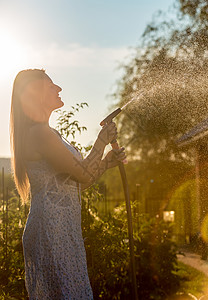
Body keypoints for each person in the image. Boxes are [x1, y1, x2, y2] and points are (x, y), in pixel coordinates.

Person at [9, 69, 126, 299]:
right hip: (50, 231)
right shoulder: (39, 133)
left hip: (63, 230)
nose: (59, 88)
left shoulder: (50, 133)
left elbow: (74, 186)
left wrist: (104, 164)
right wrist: (101, 141)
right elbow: (82, 175)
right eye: (51, 85)